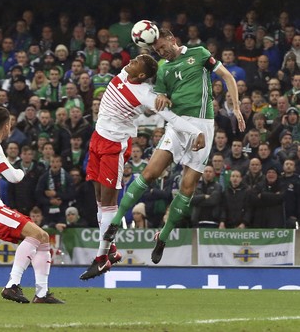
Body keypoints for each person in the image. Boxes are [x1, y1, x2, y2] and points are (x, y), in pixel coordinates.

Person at [103, 28, 246, 265]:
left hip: (204, 125)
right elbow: (160, 100)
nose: (161, 52)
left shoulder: (199, 53)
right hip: (178, 126)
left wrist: (237, 107)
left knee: (188, 187)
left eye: (162, 47)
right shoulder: (163, 69)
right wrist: (163, 99)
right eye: (157, 51)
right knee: (150, 172)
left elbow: (228, 77)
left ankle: (164, 235)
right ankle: (116, 221)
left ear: (172, 39)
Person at [79, 54, 206, 280]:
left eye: (136, 62)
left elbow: (171, 118)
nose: (131, 60)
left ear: (141, 75)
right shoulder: (124, 74)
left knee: (108, 203)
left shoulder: (145, 94)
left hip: (114, 146)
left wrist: (196, 132)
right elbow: (151, 58)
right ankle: (113, 251)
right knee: (98, 197)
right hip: (97, 138)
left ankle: (101, 259)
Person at [0, 106, 63, 304]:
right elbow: (14, 177)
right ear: (6, 125)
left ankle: (42, 293)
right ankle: (11, 285)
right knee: (37, 235)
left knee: (43, 238)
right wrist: (21, 170)